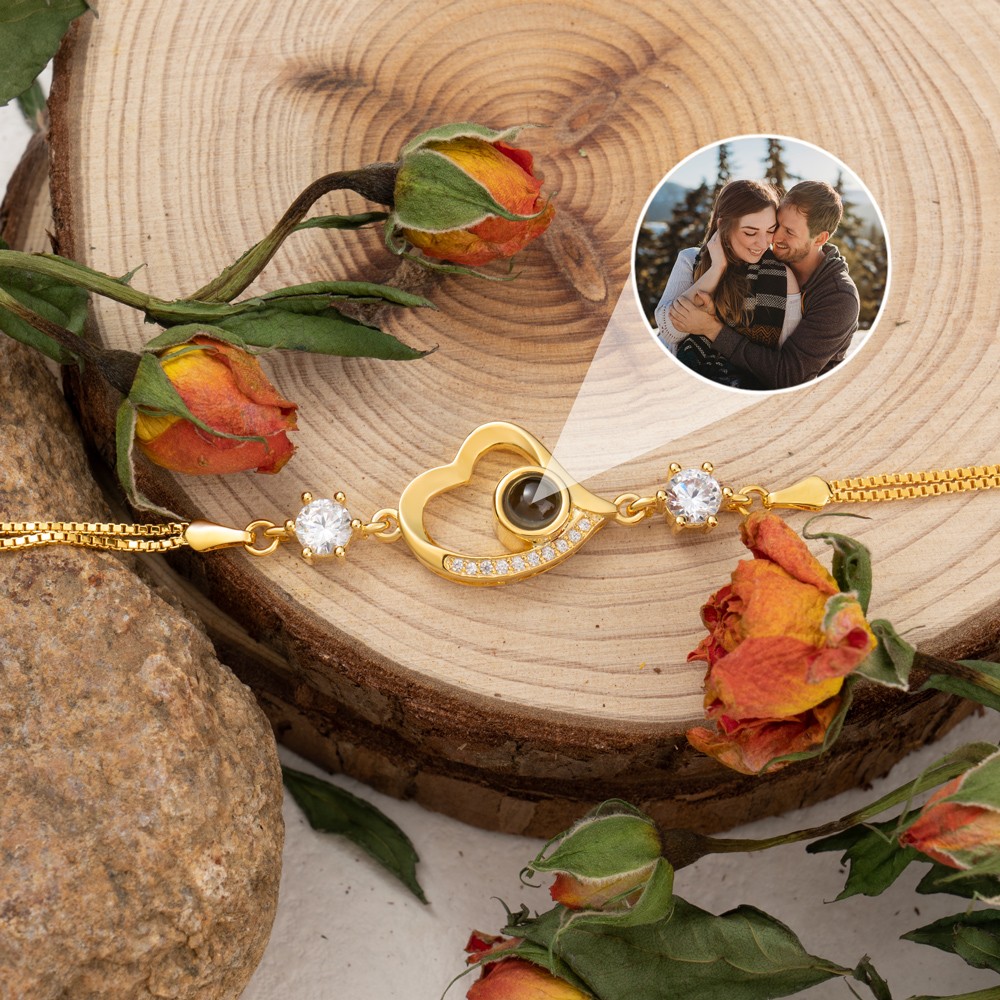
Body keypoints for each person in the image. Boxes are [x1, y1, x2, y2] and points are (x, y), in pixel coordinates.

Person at [668, 180, 860, 390]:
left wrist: (712, 329)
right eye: (777, 225)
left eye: (790, 232)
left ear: (820, 239)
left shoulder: (839, 298)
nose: (775, 237)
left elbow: (789, 377)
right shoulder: (764, 262)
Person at [654, 179, 801, 390]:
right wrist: (716, 269)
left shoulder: (782, 277)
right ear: (723, 225)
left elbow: (784, 365)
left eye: (770, 230)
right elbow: (669, 332)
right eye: (750, 232)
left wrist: (710, 327)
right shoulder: (691, 260)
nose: (763, 243)